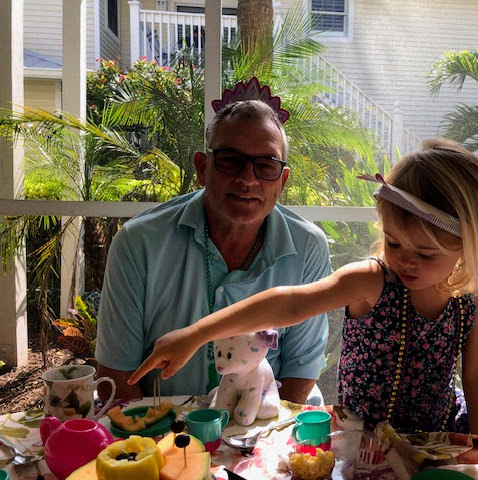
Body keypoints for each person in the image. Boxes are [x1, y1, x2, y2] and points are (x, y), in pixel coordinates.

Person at [129, 138, 478, 479]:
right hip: (367, 435)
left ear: (467, 246)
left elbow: (477, 375)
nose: (406, 260)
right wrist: (196, 333)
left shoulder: (469, 297)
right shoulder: (372, 280)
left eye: (427, 253)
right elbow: (288, 303)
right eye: (394, 242)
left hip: (441, 425)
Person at [95, 95, 332, 405]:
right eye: (230, 161)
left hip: (262, 425)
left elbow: (301, 367)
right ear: (202, 168)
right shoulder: (138, 242)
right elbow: (116, 371)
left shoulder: (308, 246)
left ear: (282, 181)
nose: (248, 179)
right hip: (164, 429)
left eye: (266, 165)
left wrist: (262, 443)